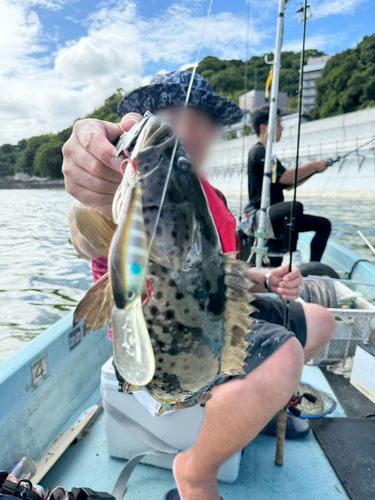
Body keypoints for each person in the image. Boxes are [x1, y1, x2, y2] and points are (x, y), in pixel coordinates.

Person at [63, 71, 336, 500]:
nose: (187, 128)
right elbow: (85, 228)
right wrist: (91, 186)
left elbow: (218, 272)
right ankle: (196, 472)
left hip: (210, 318)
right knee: (287, 357)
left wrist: (264, 278)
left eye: (202, 119)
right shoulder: (132, 185)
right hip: (157, 350)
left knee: (320, 321)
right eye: (171, 115)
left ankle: (254, 410)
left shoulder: (207, 194)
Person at [246, 106, 332, 265]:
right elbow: (286, 177)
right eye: (278, 123)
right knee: (294, 207)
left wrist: (314, 171)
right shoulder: (259, 152)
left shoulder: (268, 153)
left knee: (324, 225)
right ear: (264, 128)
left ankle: (314, 267)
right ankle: (290, 256)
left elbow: (288, 185)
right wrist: (314, 166)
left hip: (275, 215)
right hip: (261, 215)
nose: (282, 128)